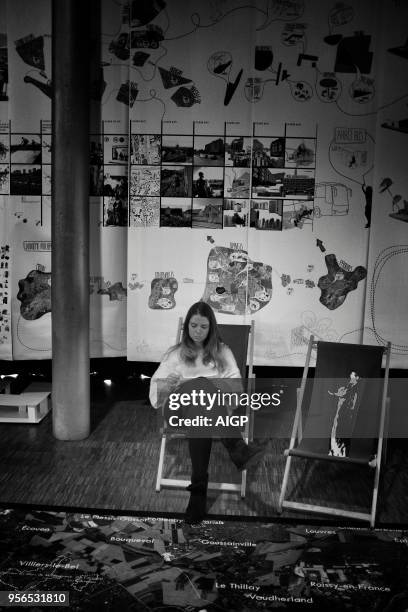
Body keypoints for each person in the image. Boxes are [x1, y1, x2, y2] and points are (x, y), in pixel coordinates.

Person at [149, 301, 264, 523]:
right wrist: (170, 384)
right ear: (187, 327)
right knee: (199, 387)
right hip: (177, 410)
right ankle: (236, 445)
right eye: (193, 325)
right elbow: (156, 395)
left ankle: (198, 493)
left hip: (206, 414)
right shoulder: (175, 354)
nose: (198, 331)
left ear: (211, 328)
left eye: (203, 326)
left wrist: (210, 386)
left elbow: (236, 389)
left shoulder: (223, 352)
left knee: (202, 401)